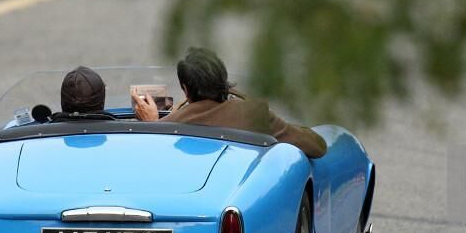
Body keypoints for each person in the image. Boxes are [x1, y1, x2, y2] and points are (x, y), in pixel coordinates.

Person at [132, 47, 327, 159]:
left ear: (185, 89)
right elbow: (317, 146)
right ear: (223, 78)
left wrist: (153, 123)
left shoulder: (166, 127)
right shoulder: (254, 114)